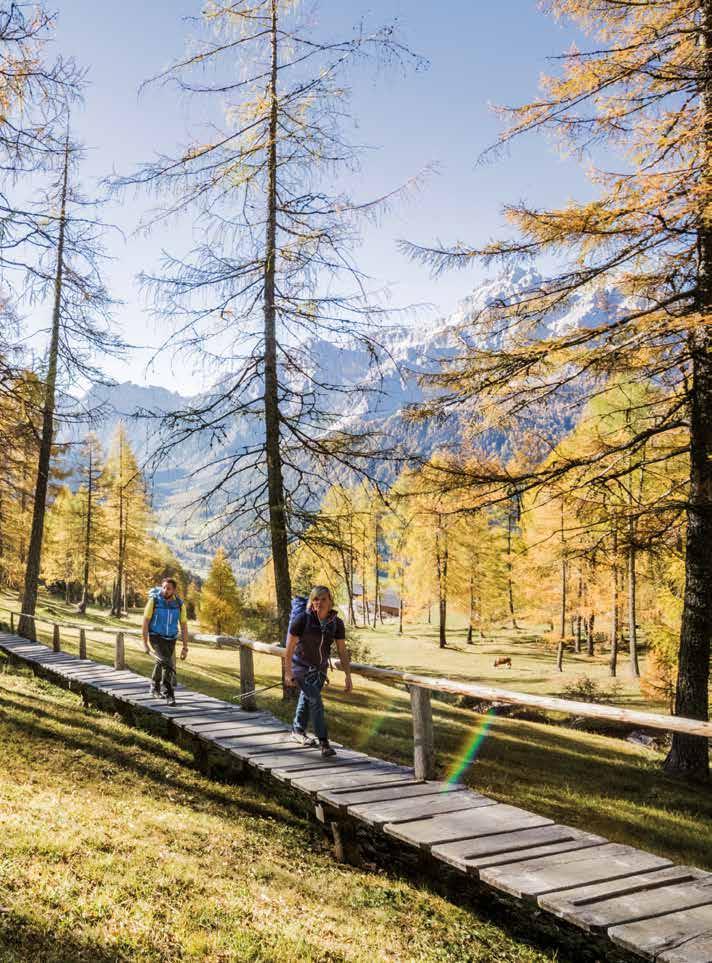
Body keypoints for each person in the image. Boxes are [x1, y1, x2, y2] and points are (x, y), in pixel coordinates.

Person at [284, 585, 352, 758]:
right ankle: (324, 743)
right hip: (301, 668)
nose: (319, 603)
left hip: (320, 671)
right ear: (311, 602)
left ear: (330, 602)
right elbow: (289, 648)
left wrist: (348, 676)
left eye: (323, 599)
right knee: (315, 701)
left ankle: (297, 731)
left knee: (307, 698)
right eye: (315, 599)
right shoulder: (303, 619)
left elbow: (342, 651)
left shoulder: (336, 623)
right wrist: (288, 672)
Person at [142, 577, 188, 705]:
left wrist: (185, 647)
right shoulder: (154, 601)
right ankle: (169, 693)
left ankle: (154, 687)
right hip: (156, 636)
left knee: (161, 661)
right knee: (168, 663)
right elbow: (145, 621)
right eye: (163, 587)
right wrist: (145, 643)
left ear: (174, 590)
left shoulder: (179, 604)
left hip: (171, 638)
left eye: (168, 588)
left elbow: (184, 625)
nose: (165, 590)